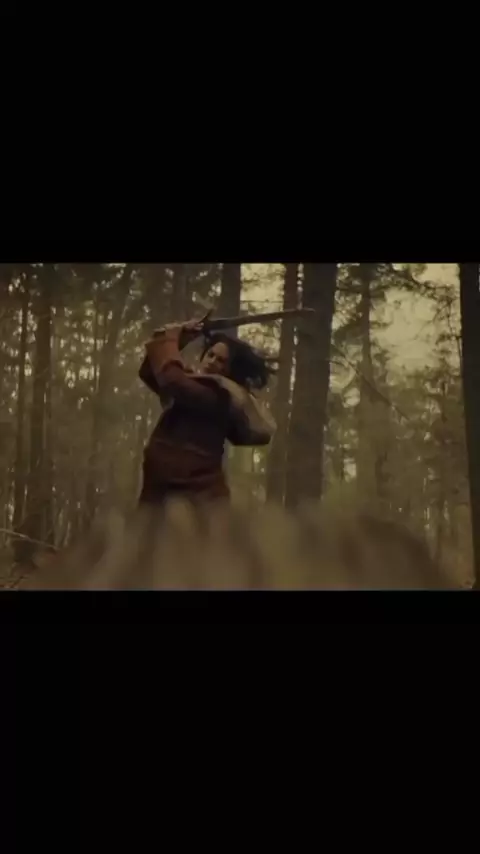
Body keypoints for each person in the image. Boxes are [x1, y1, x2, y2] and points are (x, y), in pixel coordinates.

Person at [137, 318, 276, 508]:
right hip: (163, 490)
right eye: (210, 355)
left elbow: (172, 381)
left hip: (196, 495)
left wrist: (170, 338)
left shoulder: (218, 396)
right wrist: (179, 340)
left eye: (221, 361)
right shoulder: (192, 384)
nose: (212, 362)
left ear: (230, 371)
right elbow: (149, 373)